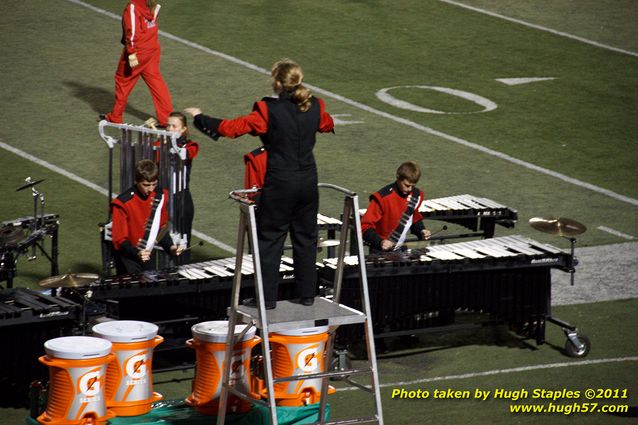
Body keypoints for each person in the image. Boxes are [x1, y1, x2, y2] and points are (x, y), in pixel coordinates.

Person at [185, 58, 334, 309]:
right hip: (308, 181)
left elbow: (231, 129)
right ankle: (308, 293)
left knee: (270, 240)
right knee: (306, 237)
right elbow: (327, 124)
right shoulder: (315, 105)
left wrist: (201, 118)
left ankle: (266, 299)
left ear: (277, 82)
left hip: (280, 183)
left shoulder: (268, 110)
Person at [102, 0, 173, 126]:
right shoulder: (150, 2)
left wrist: (131, 52)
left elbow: (132, 31)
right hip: (152, 48)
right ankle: (167, 119)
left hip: (138, 51)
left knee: (122, 81)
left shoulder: (133, 6)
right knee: (156, 82)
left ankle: (115, 116)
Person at [111, 159, 183, 274]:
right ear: (136, 181)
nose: (150, 189)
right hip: (128, 260)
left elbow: (161, 228)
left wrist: (171, 247)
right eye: (146, 185)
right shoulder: (123, 203)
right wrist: (136, 253)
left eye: (154, 184)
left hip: (149, 256)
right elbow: (119, 239)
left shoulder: (161, 196)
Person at [152, 112, 199, 263]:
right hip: (163, 198)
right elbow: (153, 157)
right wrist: (159, 141)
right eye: (168, 125)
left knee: (182, 242)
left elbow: (187, 154)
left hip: (181, 199)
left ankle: (182, 273)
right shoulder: (160, 144)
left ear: (183, 129)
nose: (170, 129)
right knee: (161, 238)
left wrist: (167, 142)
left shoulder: (189, 145)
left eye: (174, 126)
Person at [361, 161, 432, 253]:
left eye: (412, 186)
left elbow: (412, 217)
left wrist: (421, 230)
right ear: (398, 177)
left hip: (399, 248)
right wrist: (380, 242)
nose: (410, 189)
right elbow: (364, 226)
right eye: (407, 185)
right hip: (380, 250)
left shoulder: (416, 195)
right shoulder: (382, 198)